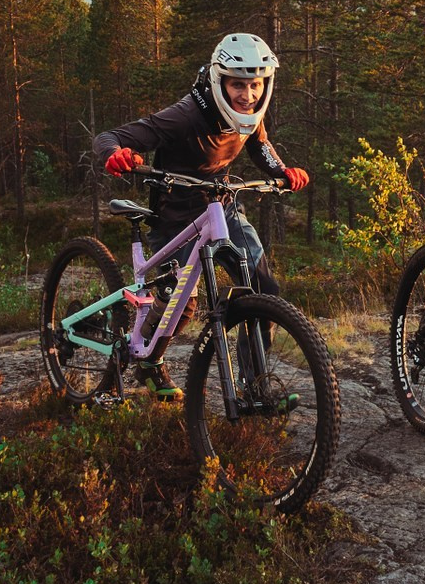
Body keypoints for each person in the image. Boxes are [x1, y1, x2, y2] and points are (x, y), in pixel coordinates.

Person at [92, 33, 310, 393]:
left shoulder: (249, 114)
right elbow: (110, 136)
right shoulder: (186, 116)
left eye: (255, 85)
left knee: (263, 289)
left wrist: (281, 172)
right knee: (182, 304)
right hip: (176, 217)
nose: (248, 94)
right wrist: (114, 153)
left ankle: (253, 384)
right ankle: (149, 362)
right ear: (219, 80)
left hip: (221, 208)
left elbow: (259, 144)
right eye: (238, 84)